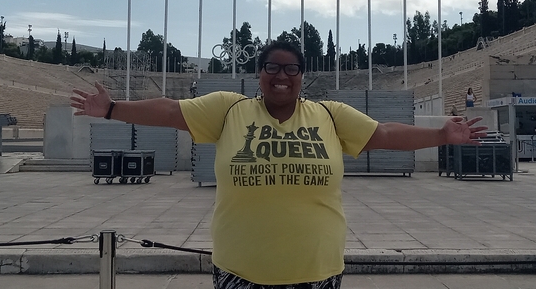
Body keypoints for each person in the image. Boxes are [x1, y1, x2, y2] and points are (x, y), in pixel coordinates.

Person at [70, 41, 488, 288]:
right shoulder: (228, 109)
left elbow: (385, 134)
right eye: (272, 67)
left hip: (316, 272)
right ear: (259, 74)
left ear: (302, 76)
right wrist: (112, 109)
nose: (281, 75)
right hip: (241, 272)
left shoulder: (329, 115)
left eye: (291, 68)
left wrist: (440, 135)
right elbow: (169, 111)